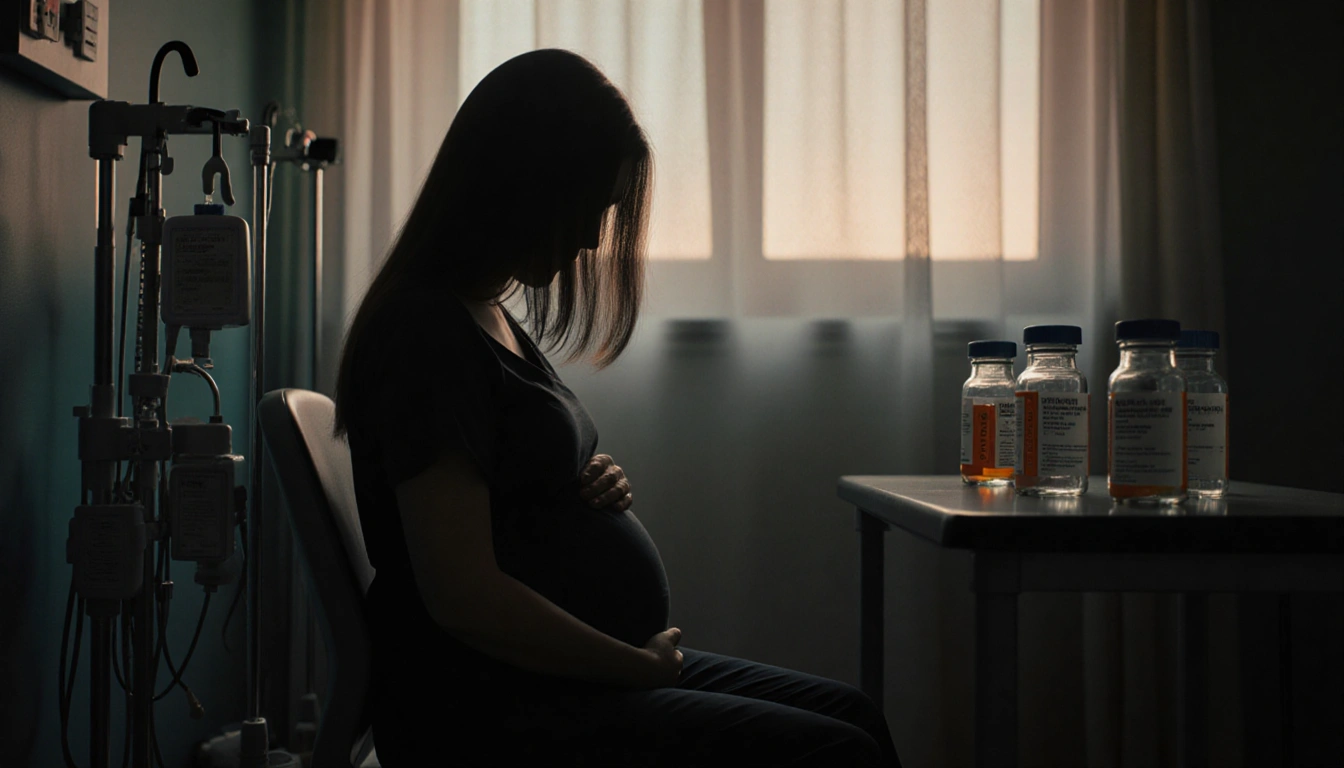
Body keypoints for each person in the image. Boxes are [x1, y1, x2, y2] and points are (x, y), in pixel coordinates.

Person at [333, 48, 902, 767]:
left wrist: (581, 481)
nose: (591, 238)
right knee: (837, 751)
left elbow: (498, 479)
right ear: (526, 187)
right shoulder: (426, 335)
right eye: (588, 208)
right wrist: (631, 666)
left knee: (852, 713)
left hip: (552, 683)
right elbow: (463, 595)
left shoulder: (485, 314)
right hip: (490, 710)